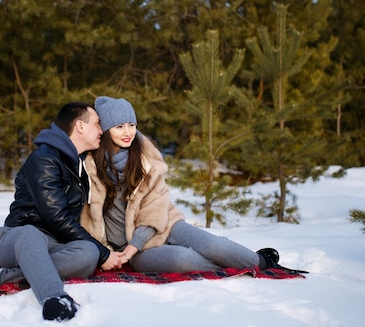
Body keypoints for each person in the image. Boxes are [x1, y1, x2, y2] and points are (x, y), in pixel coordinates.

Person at [79, 96, 292, 274]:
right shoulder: (89, 165)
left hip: (162, 223)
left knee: (213, 245)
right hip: (128, 248)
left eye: (132, 125)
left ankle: (263, 263)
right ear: (105, 130)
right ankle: (235, 269)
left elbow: (155, 209)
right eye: (119, 126)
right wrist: (123, 251)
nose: (128, 132)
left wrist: (134, 246)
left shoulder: (145, 156)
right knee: (183, 260)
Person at [0, 102, 126, 322]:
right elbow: (56, 217)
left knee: (88, 252)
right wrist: (105, 254)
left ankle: (12, 276)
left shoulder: (76, 162)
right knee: (31, 233)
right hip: (20, 239)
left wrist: (100, 251)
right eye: (97, 124)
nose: (102, 131)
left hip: (53, 244)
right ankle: (54, 299)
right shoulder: (44, 159)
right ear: (80, 126)